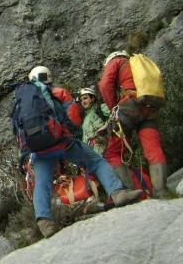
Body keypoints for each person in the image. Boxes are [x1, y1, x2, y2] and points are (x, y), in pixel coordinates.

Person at [16, 66, 143, 238]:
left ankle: (45, 222)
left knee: (42, 183)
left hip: (38, 150)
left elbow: (18, 131)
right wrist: (74, 136)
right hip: (63, 143)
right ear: (48, 77)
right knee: (96, 162)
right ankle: (118, 193)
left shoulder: (21, 101)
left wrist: (24, 155)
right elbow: (72, 114)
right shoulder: (57, 92)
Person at [98, 51, 167, 196]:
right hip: (149, 106)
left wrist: (113, 109)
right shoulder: (137, 64)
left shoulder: (115, 61)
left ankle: (130, 193)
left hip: (130, 106)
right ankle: (161, 191)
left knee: (112, 152)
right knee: (153, 148)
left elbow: (105, 85)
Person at [79, 86, 110, 155]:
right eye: (81, 100)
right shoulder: (86, 117)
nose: (83, 102)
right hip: (92, 151)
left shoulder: (100, 108)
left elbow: (115, 114)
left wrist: (106, 125)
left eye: (85, 98)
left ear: (92, 98)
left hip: (104, 148)